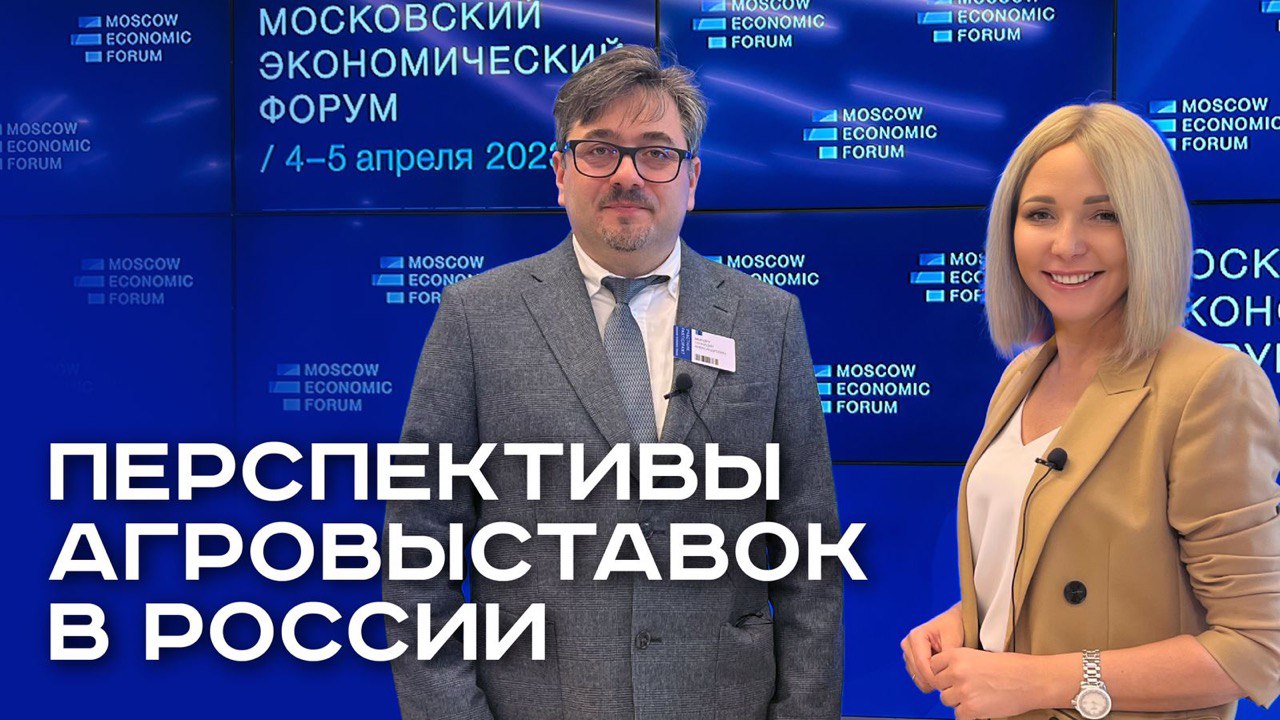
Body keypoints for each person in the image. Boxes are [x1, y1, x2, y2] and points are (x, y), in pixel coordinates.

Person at [384, 45, 843, 720]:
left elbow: (809, 562)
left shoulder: (767, 320)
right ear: (560, 172)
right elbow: (418, 555)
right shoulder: (477, 317)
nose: (628, 175)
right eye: (599, 150)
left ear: (691, 178)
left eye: (656, 152)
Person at [901, 102, 1280, 720]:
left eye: (1105, 215)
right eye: (1040, 214)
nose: (1067, 245)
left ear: (1150, 228)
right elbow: (1061, 574)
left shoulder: (1210, 385)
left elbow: (1257, 648)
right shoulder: (1022, 376)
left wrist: (1044, 681)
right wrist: (970, 618)